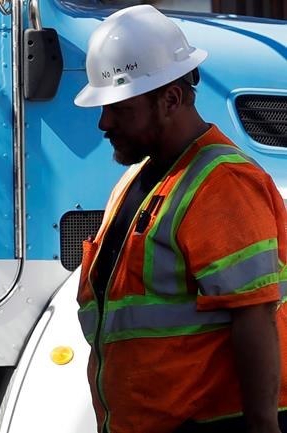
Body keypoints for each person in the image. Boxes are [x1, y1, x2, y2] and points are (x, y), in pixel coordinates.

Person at [73, 5, 287, 433]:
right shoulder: (138, 180)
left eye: (119, 108)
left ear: (170, 99)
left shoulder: (222, 184)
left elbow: (254, 315)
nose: (103, 122)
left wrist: (262, 426)